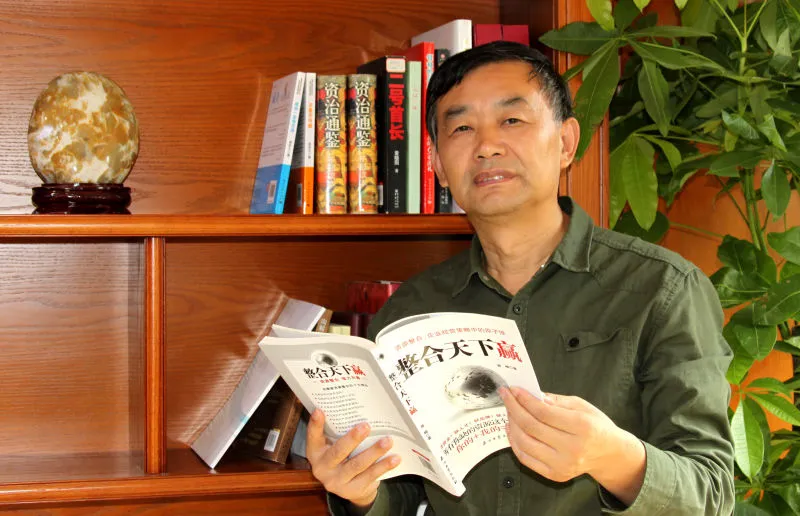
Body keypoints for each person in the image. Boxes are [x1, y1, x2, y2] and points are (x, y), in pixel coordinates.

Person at [307, 40, 735, 515]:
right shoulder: (412, 310)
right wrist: (361, 490)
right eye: (462, 128)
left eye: (512, 120)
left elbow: (711, 493)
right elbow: (405, 493)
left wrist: (611, 457)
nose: (487, 145)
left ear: (566, 142)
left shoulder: (662, 289)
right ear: (437, 165)